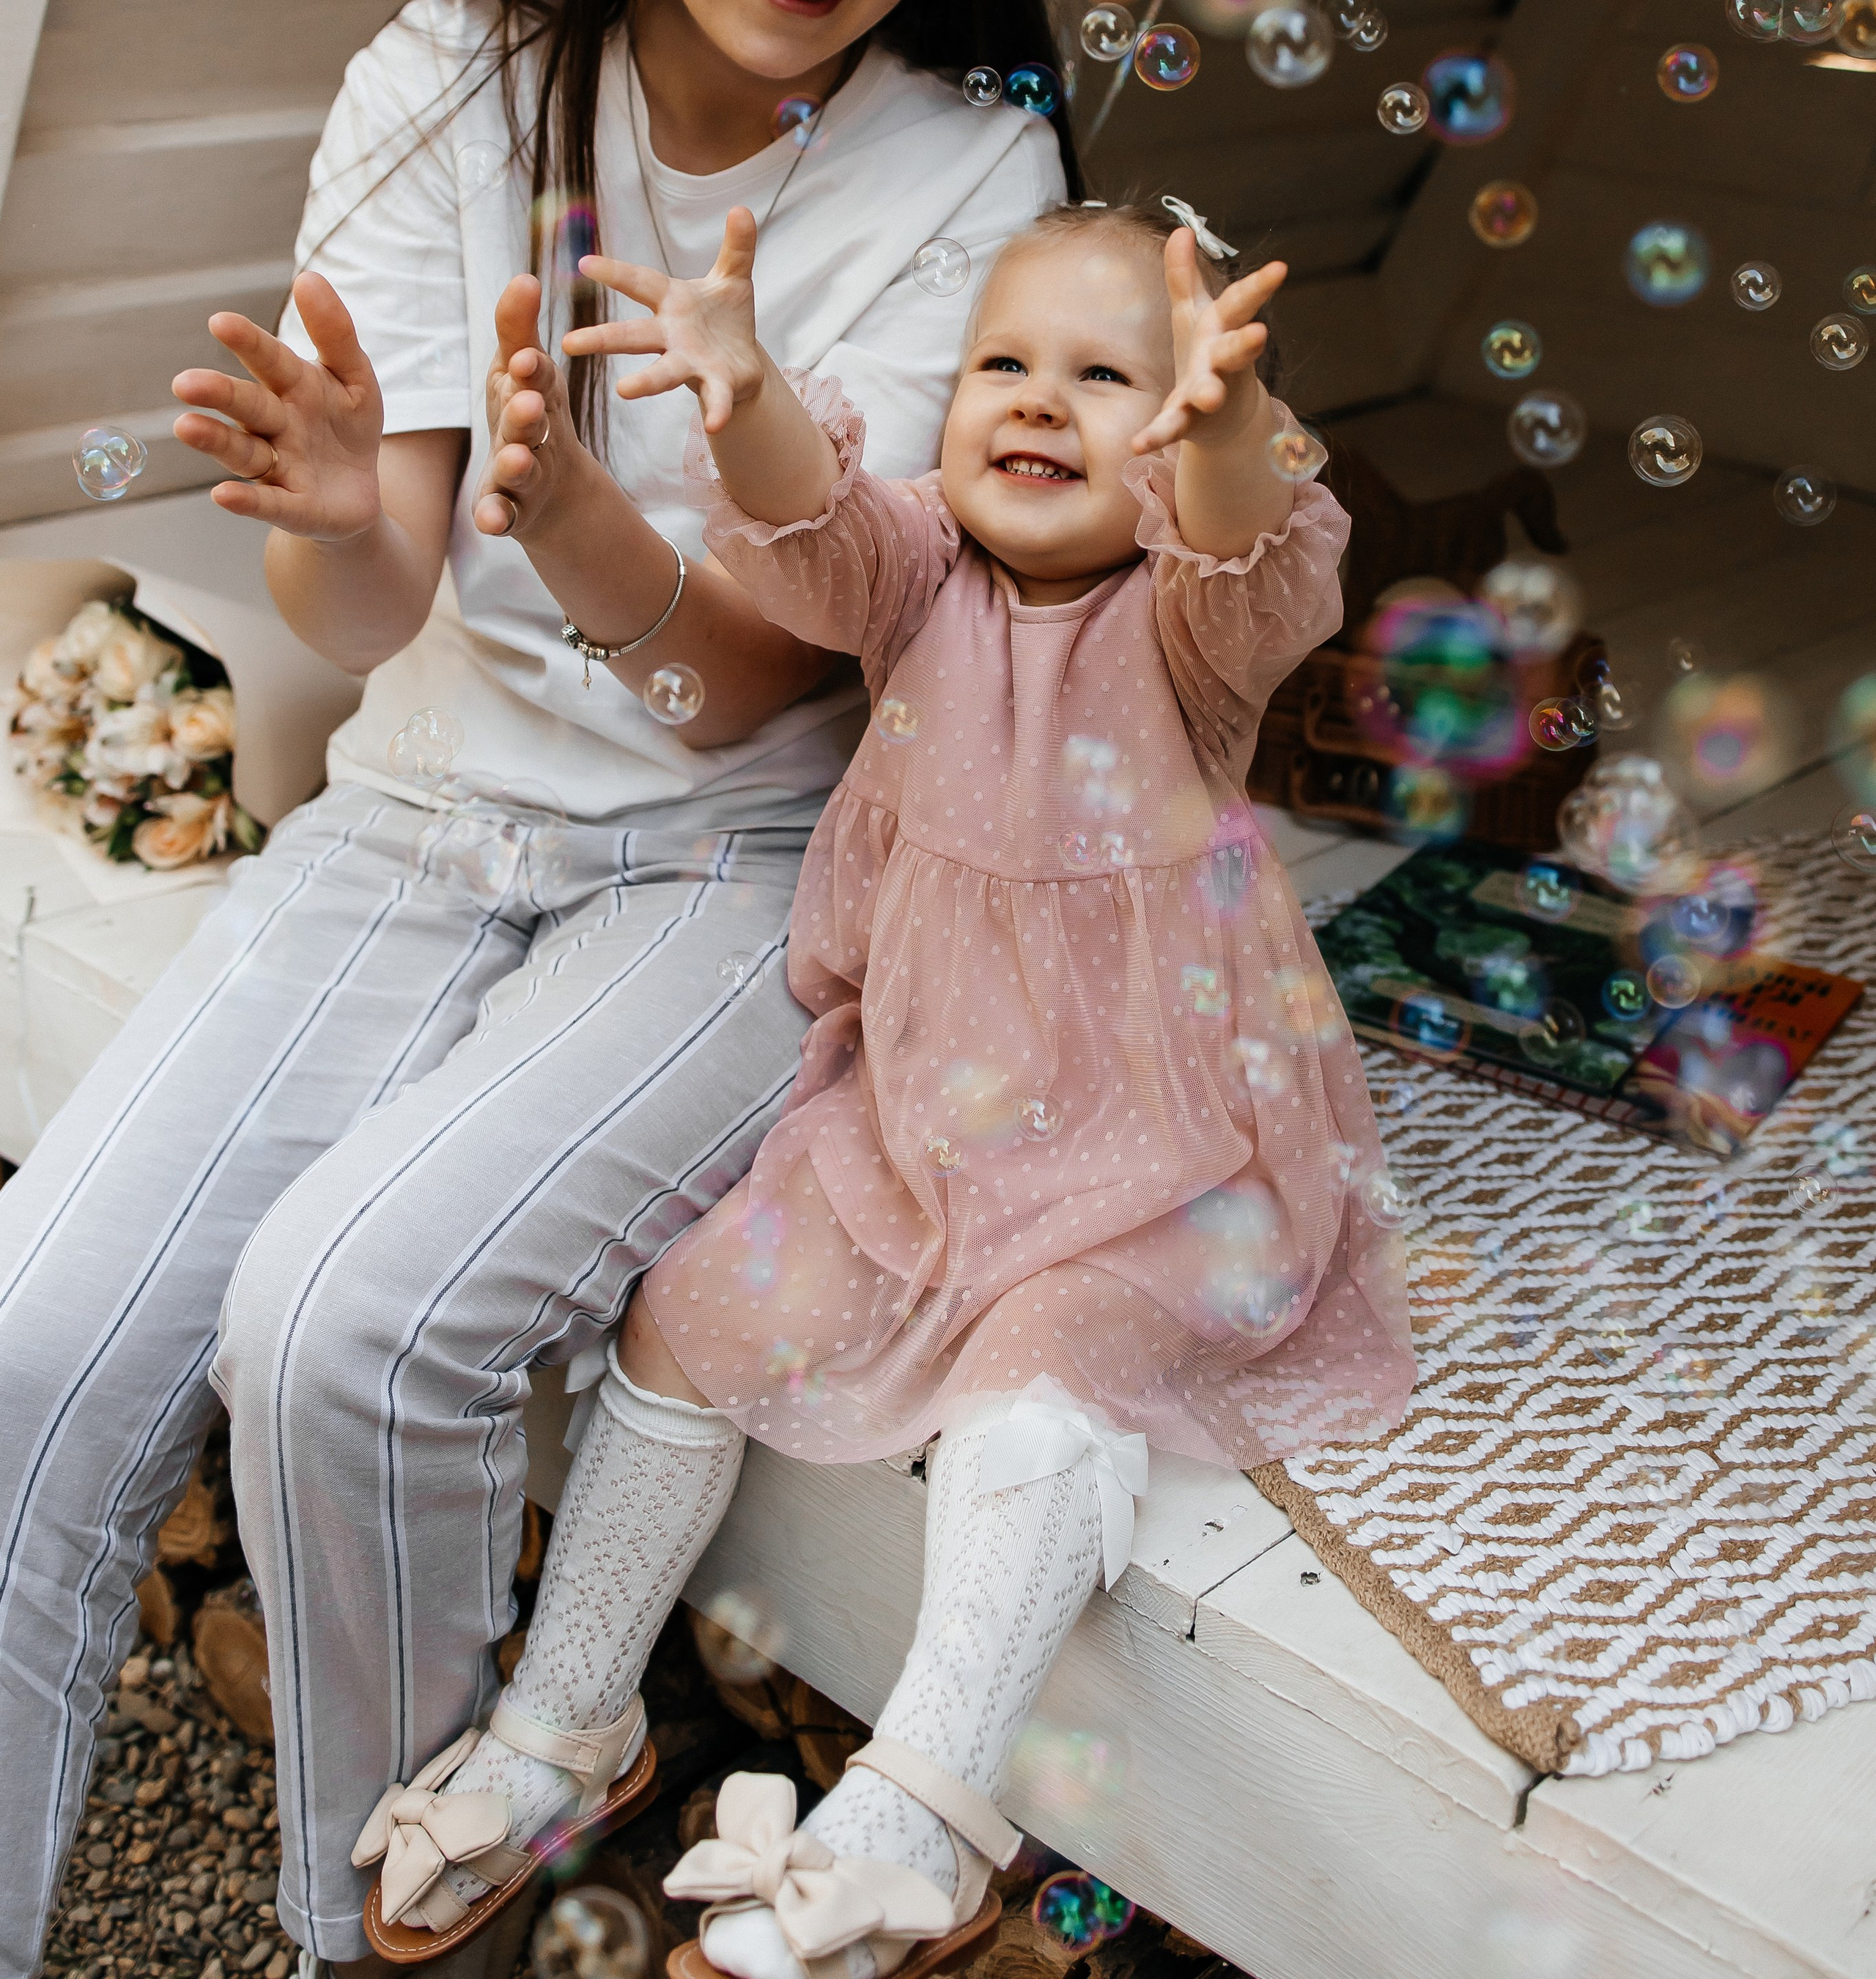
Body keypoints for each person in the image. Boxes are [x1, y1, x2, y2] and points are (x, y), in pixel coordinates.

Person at [0, 0, 1075, 1979]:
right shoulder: (453, 75)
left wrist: (589, 531)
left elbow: (777, 692)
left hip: (732, 866)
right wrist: (320, 511)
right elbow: (376, 600)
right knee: (33, 1345)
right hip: (416, 814)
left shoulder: (969, 182)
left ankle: (362, 1929)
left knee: (352, 1318)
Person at [353, 199, 1415, 1969]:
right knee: (683, 1315)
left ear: (1174, 447)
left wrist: (1224, 436)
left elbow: (1250, 551)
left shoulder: (1187, 634)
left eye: (1108, 379)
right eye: (1004, 363)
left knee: (1033, 1385)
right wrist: (742, 382)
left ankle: (917, 1809)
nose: (1036, 402)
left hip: (1157, 1160)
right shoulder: (913, 572)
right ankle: (568, 1716)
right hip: (923, 1126)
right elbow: (796, 515)